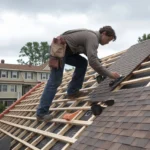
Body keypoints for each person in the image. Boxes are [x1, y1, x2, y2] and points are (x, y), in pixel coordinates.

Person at [36, 26, 120, 121]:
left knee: (82, 63)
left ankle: (73, 92)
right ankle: (41, 113)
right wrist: (110, 74)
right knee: (55, 81)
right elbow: (92, 62)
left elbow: (92, 56)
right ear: (104, 33)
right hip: (60, 48)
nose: (107, 42)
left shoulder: (90, 36)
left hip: (67, 50)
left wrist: (100, 65)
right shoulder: (93, 38)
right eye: (108, 39)